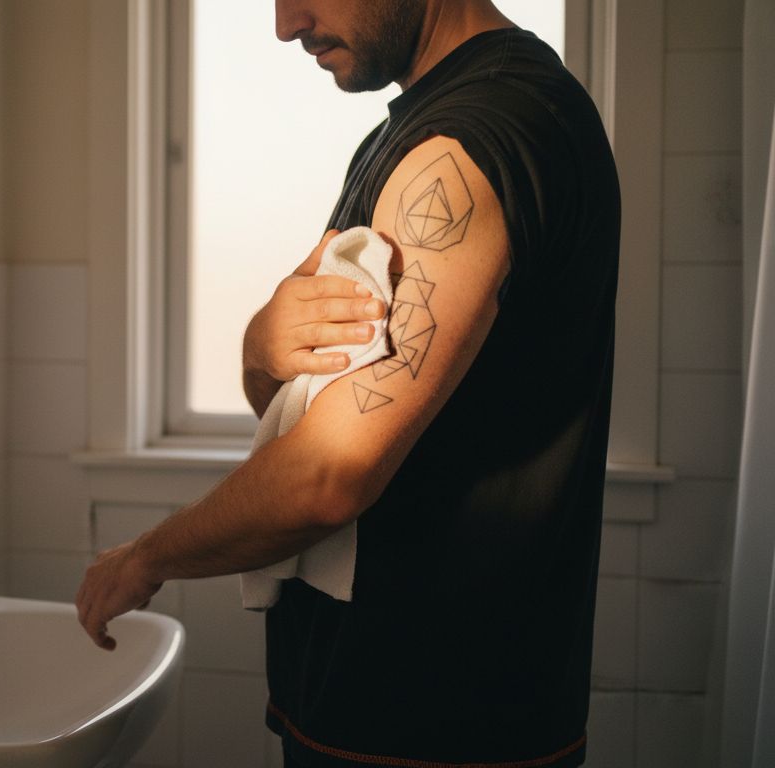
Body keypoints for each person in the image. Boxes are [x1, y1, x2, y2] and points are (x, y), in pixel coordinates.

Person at [75, 0, 620, 765]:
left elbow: (330, 471)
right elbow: (295, 401)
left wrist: (146, 558)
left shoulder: (476, 140)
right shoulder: (401, 136)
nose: (285, 23)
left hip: (439, 729)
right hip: (365, 708)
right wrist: (262, 347)